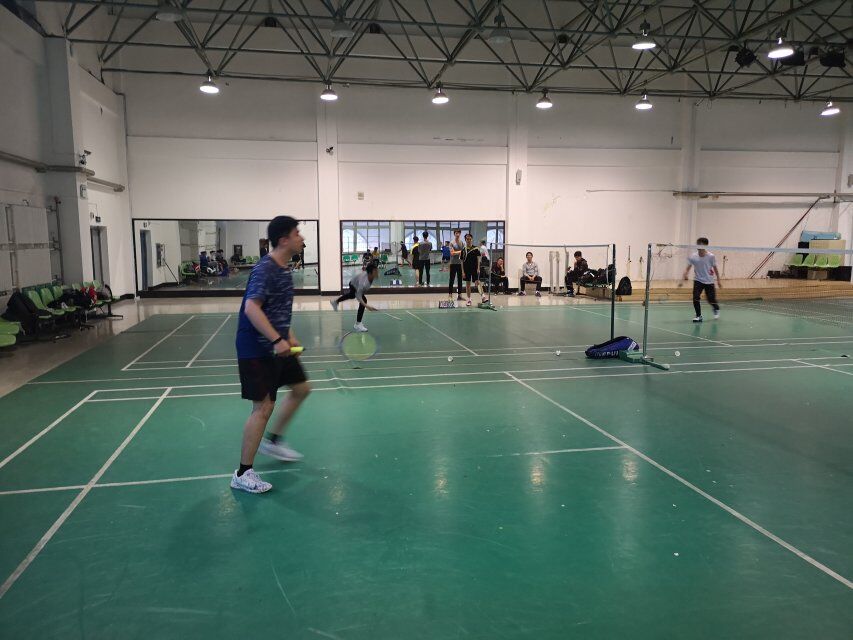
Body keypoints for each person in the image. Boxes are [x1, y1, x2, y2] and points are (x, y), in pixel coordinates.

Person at [232, 215, 310, 494]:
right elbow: (252, 308)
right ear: (284, 240)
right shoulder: (265, 269)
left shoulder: (284, 269)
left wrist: (288, 335)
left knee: (301, 389)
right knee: (263, 407)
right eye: (297, 233)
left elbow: (276, 310)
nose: (302, 238)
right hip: (256, 347)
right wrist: (277, 339)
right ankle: (243, 473)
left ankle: (274, 441)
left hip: (277, 344)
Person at [331, 261, 378, 332]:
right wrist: (367, 306)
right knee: (363, 300)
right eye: (375, 271)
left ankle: (335, 301)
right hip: (353, 284)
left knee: (352, 295)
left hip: (356, 283)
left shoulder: (370, 276)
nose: (377, 273)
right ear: (370, 273)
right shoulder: (364, 282)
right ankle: (358, 324)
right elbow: (359, 297)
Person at [683, 237, 721, 322]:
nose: (698, 246)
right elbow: (688, 267)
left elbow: (715, 269)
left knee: (711, 299)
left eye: (700, 244)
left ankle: (716, 308)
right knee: (695, 297)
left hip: (709, 281)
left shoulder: (711, 256)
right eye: (698, 244)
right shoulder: (693, 256)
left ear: (705, 246)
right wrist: (686, 274)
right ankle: (698, 316)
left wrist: (718, 280)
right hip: (698, 280)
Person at [461, 233, 484, 306]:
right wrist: (463, 272)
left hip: (474, 269)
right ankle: (469, 299)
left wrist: (478, 268)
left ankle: (483, 297)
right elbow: (461, 262)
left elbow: (478, 259)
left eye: (470, 239)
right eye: (467, 239)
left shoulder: (476, 248)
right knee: (468, 284)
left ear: (472, 239)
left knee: (477, 282)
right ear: (465, 240)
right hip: (466, 269)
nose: (469, 240)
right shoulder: (463, 250)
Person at [448, 229, 464, 300]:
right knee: (451, 279)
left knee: (460, 280)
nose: (457, 234)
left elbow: (464, 252)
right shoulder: (451, 243)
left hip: (460, 264)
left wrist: (460, 252)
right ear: (454, 234)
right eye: (456, 233)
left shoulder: (462, 242)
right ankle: (450, 295)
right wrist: (460, 251)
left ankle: (459, 295)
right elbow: (452, 253)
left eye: (459, 233)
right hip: (453, 263)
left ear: (460, 234)